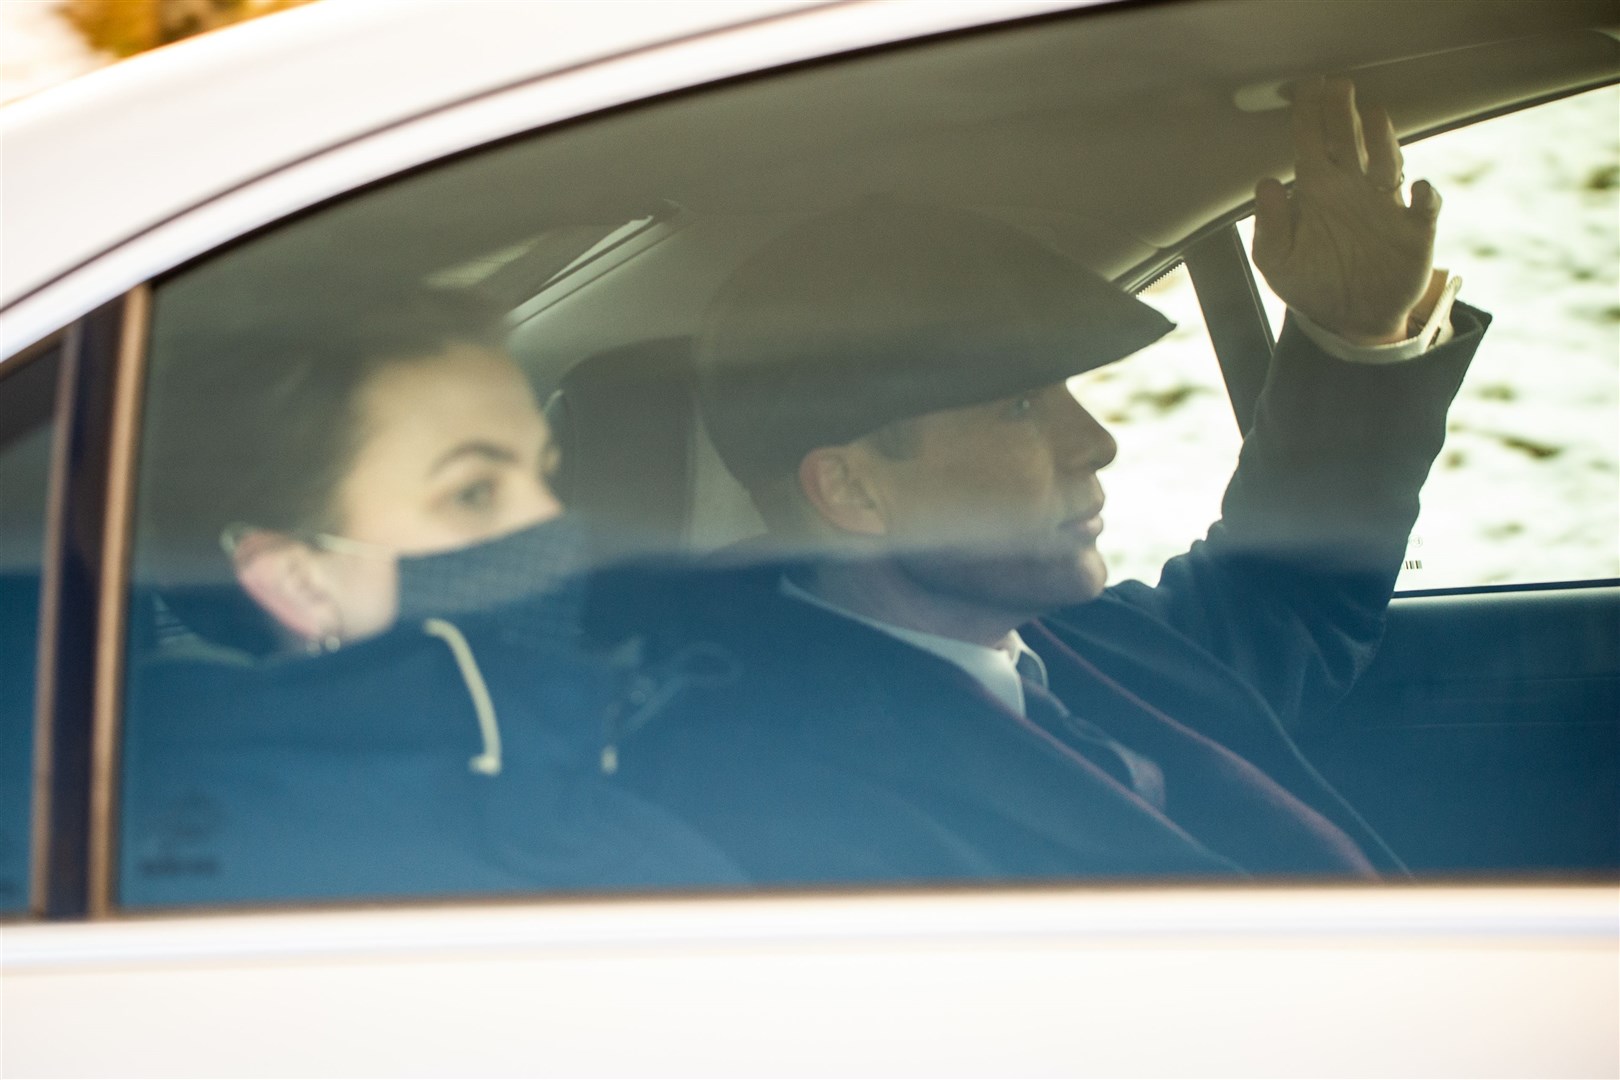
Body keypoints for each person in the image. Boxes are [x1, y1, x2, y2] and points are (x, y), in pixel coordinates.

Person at [606, 78, 1489, 882]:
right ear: (853, 491)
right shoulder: (778, 797)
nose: (1097, 443)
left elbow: (1287, 596)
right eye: (1022, 408)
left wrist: (1358, 337)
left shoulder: (1071, 645)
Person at [121, 288, 743, 906]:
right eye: (473, 493)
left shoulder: (589, 803)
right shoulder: (234, 869)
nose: (554, 523)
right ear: (300, 583)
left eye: (547, 477)